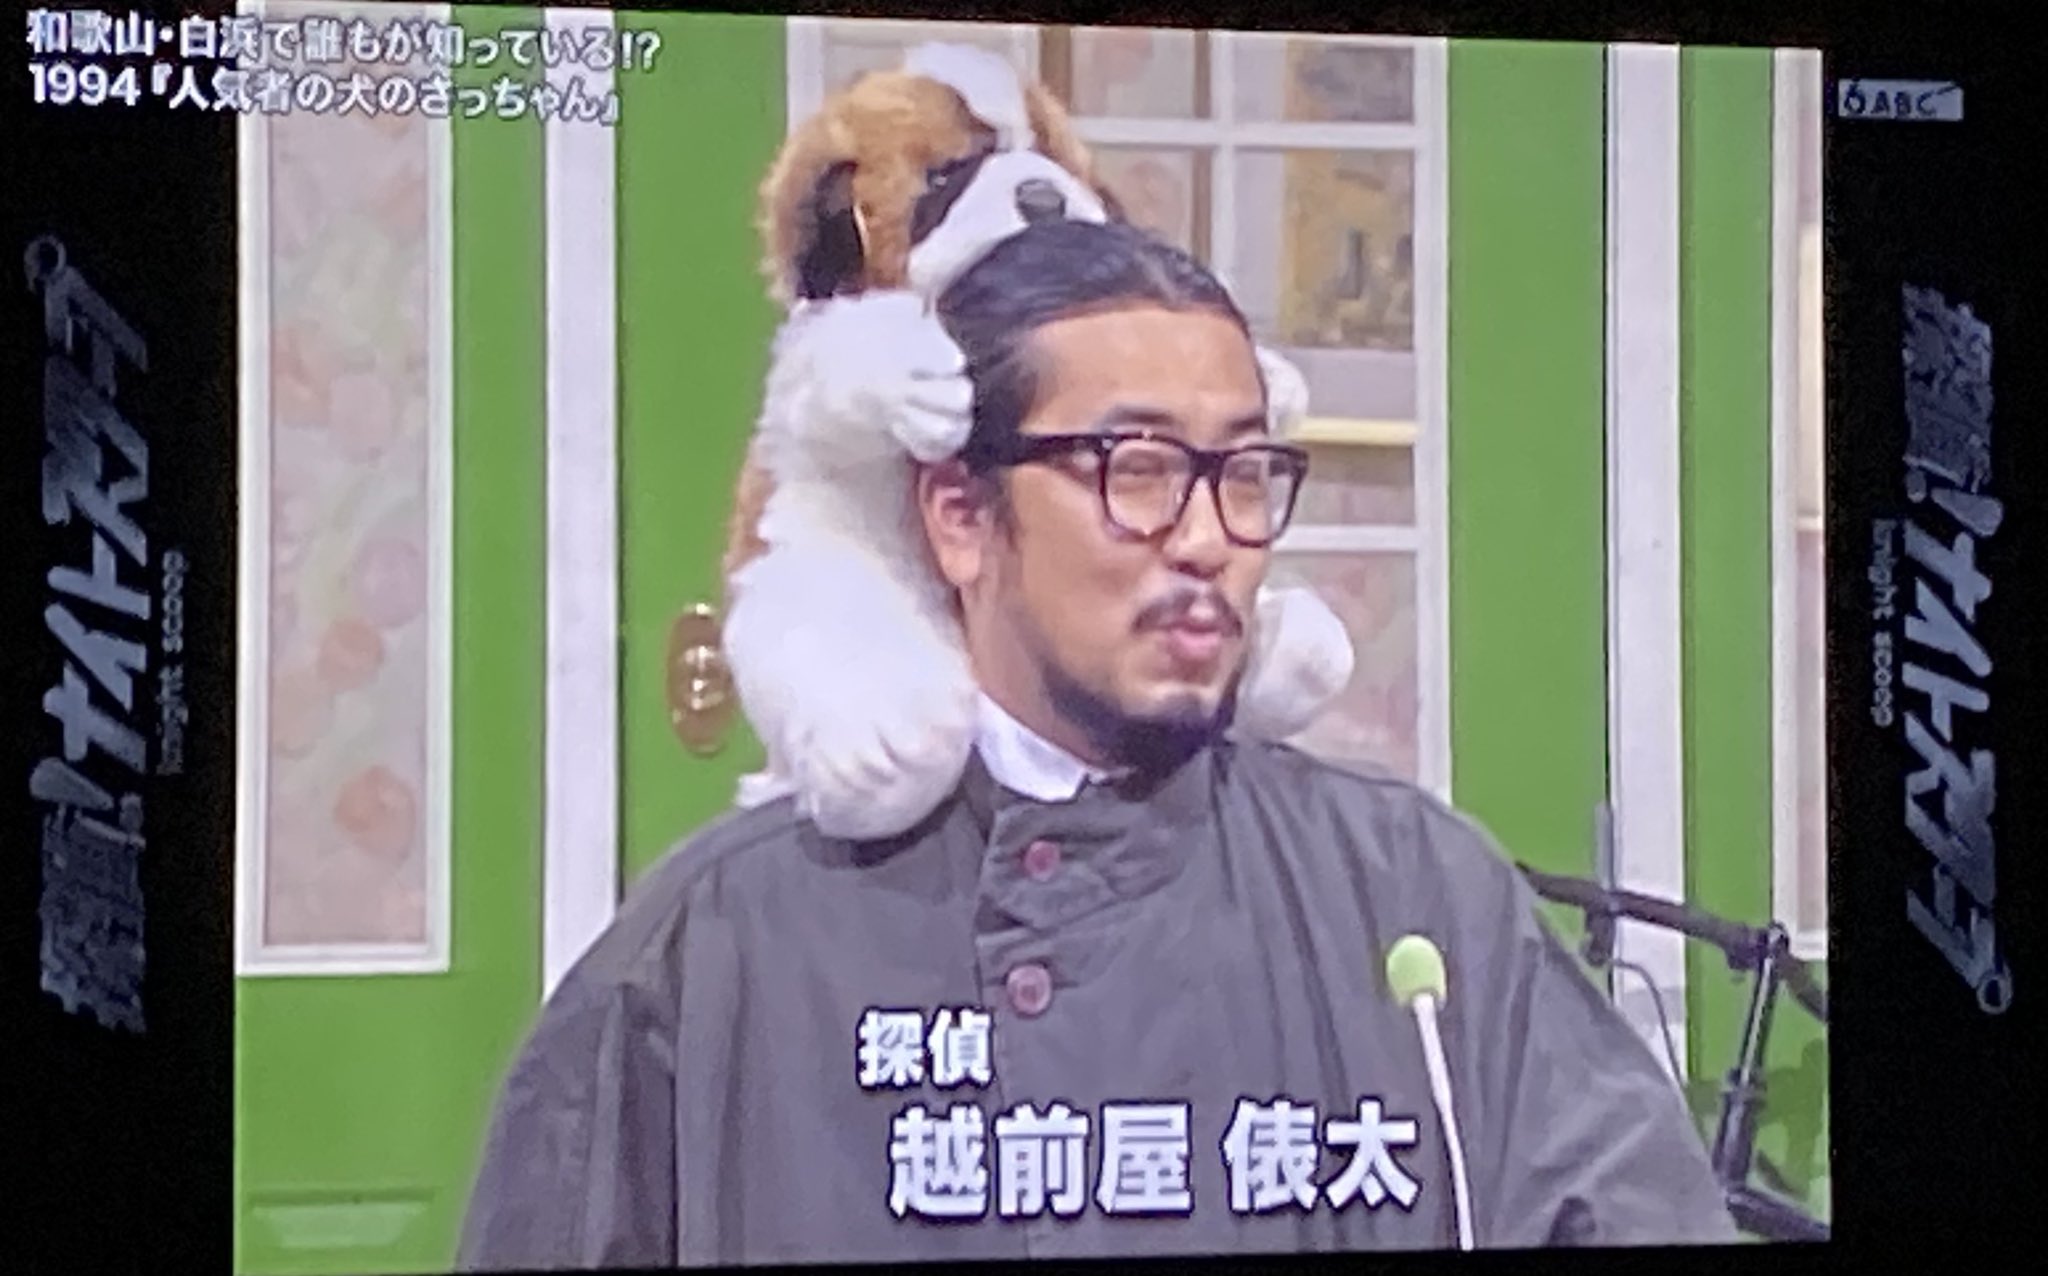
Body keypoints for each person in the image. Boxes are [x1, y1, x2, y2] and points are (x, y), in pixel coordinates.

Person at [455, 219, 1740, 1269]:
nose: (1207, 539)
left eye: (1243, 473)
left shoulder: (1414, 893)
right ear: (959, 516)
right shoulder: (714, 948)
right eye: (1135, 469)